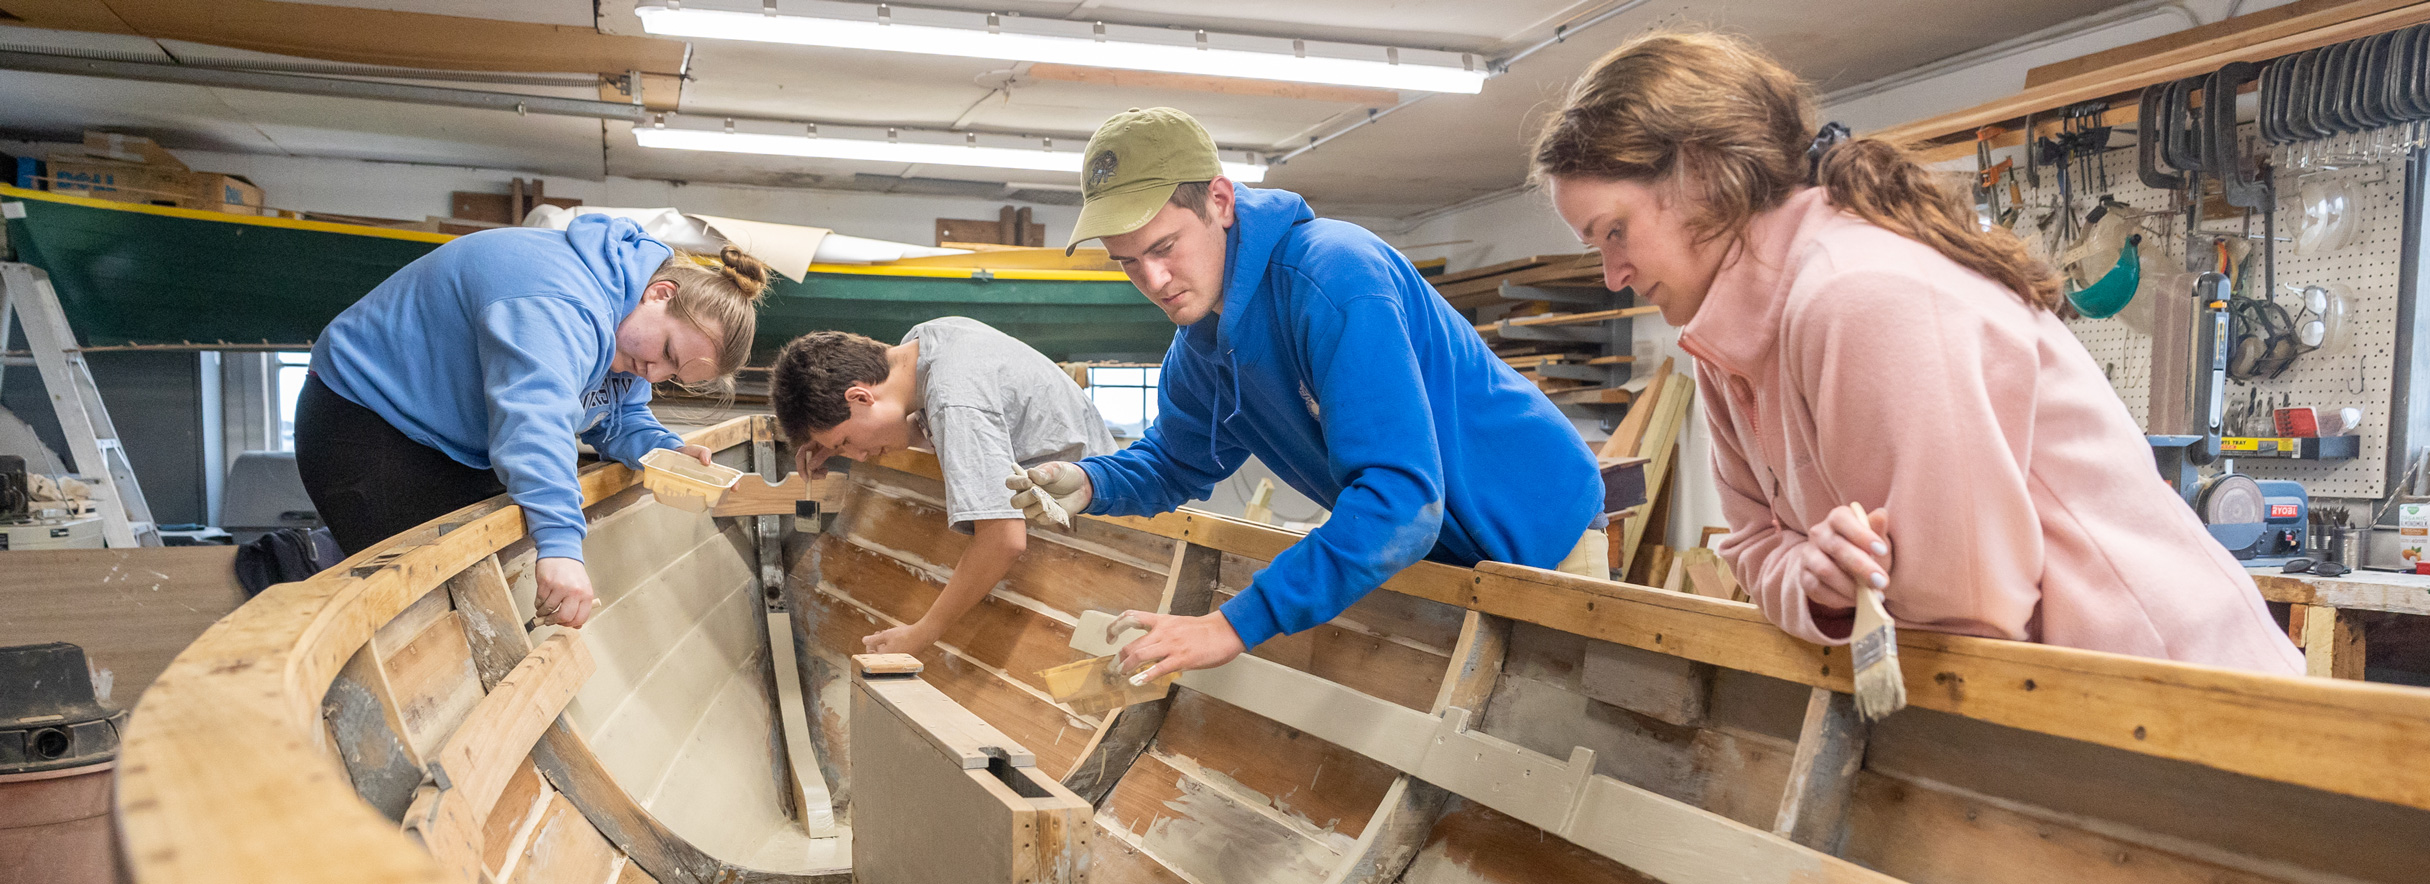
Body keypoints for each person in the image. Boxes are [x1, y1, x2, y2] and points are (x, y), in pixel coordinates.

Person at [1530, 30, 2302, 674]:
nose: (1613, 275)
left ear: (1700, 172)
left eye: (1614, 232)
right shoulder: (1723, 343)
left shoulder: (1861, 292)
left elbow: (1965, 605)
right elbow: (1757, 546)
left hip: (2174, 696)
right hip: (2048, 702)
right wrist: (1822, 581)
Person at [1007, 107, 1608, 684]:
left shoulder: (1336, 277)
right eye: (1128, 263)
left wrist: (1233, 625)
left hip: (1542, 533)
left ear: (1219, 201)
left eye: (1164, 248)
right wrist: (1090, 484)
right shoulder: (1199, 348)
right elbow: (1174, 462)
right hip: (1441, 556)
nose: (1154, 281)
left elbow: (1401, 498)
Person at [297, 215, 769, 629]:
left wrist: (663, 449)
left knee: (484, 580)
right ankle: (295, 572)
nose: (655, 373)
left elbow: (616, 413)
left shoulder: (627, 332)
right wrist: (562, 545)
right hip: (363, 416)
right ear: (660, 293)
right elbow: (534, 422)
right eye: (667, 353)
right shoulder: (562, 301)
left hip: (449, 440)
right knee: (419, 603)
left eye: (673, 376)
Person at [773, 317, 1119, 655]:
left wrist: (922, 634)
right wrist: (829, 442)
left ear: (861, 397)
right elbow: (931, 425)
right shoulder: (926, 342)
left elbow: (1004, 540)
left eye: (845, 441)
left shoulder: (954, 397)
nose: (858, 456)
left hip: (1100, 525)